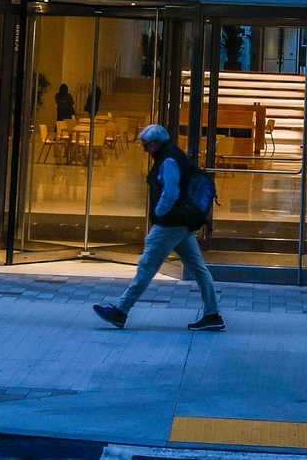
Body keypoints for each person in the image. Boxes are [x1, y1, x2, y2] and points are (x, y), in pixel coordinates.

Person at [92, 125, 223, 331]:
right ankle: (212, 314)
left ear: (154, 144)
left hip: (170, 224)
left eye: (146, 146)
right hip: (182, 224)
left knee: (146, 267)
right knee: (198, 269)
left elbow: (170, 192)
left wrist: (160, 214)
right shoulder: (174, 155)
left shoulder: (168, 160)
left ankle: (121, 310)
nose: (145, 150)